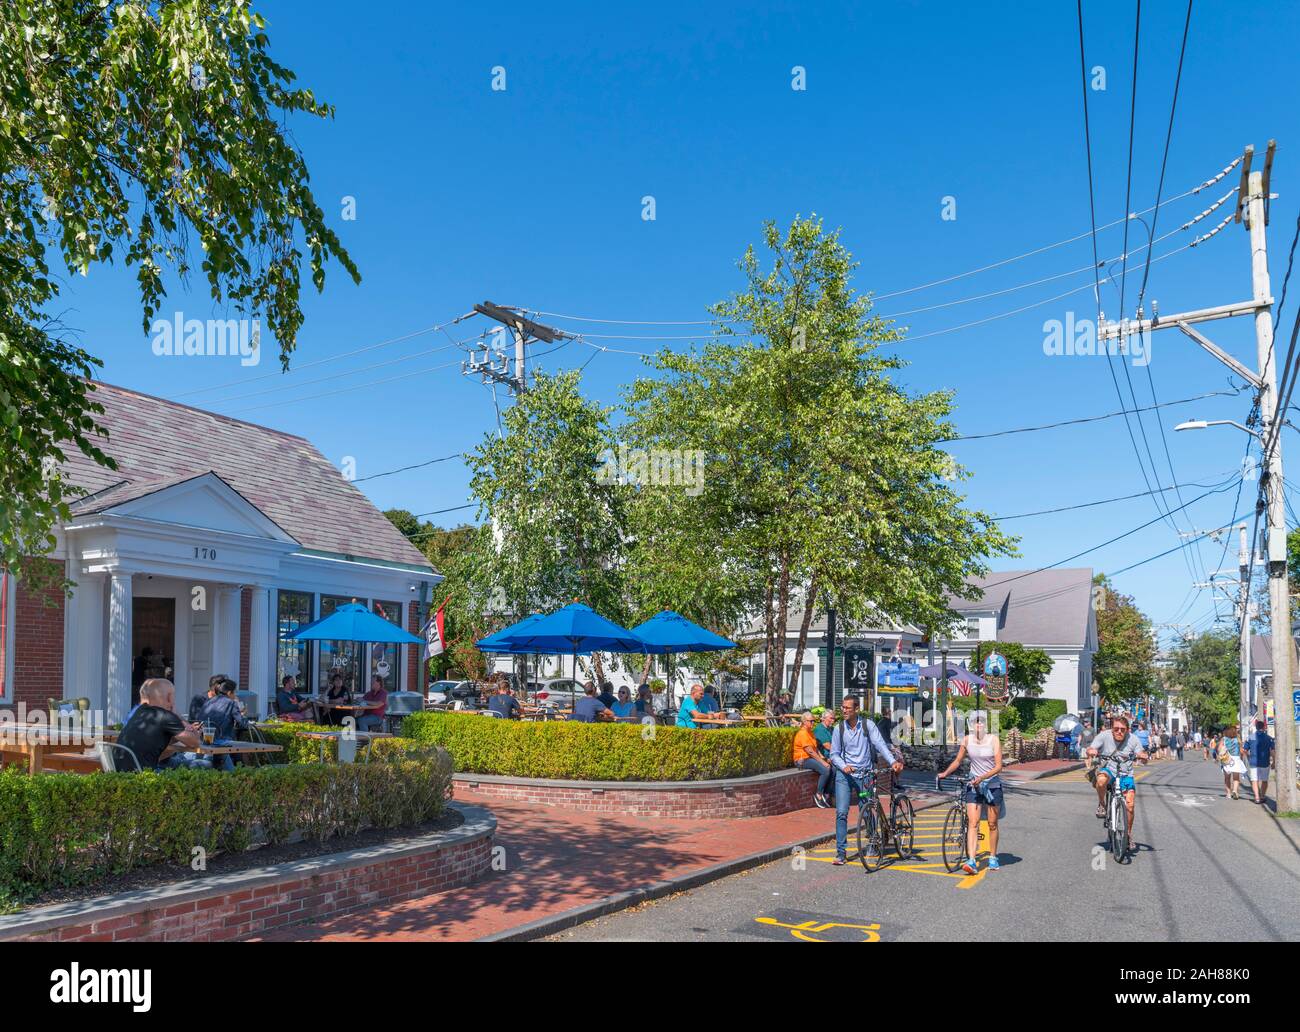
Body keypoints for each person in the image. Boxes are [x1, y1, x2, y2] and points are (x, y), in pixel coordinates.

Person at [828, 695, 904, 866]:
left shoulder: (868, 725)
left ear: (856, 709)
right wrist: (844, 765)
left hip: (865, 775)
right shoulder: (838, 729)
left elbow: (880, 745)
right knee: (841, 812)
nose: (844, 710)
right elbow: (834, 754)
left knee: (867, 809)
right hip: (844, 776)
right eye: (843, 707)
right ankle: (841, 853)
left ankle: (872, 840)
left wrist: (893, 762)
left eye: (848, 708)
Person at [938, 710, 1004, 873]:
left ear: (985, 724)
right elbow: (958, 760)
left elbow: (998, 767)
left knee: (992, 824)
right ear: (971, 724)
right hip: (973, 785)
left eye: (981, 721)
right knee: (973, 823)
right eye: (975, 721)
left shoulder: (993, 740)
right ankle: (972, 860)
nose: (978, 724)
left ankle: (993, 856)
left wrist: (982, 778)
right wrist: (945, 773)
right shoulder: (967, 740)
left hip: (992, 786)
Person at [117, 678, 212, 771]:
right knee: (207, 764)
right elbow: (195, 742)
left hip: (122, 773)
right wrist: (194, 732)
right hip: (144, 775)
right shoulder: (165, 716)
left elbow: (157, 750)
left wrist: (184, 732)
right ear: (169, 697)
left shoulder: (140, 711)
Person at [1086, 713, 1148, 837]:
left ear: (1127, 730)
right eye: (1116, 729)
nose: (1119, 732)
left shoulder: (1133, 739)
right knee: (1101, 780)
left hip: (1126, 774)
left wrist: (1143, 756)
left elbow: (1141, 755)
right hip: (1109, 770)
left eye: (1122, 729)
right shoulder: (1104, 736)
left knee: (1130, 806)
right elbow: (1090, 749)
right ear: (1112, 728)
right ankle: (1102, 804)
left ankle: (1128, 835)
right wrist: (1092, 751)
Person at [200, 677, 249, 771]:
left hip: (205, 741)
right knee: (232, 770)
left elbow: (200, 720)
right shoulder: (231, 703)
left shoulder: (208, 701)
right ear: (230, 693)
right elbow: (243, 724)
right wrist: (243, 715)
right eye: (235, 693)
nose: (235, 695)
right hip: (223, 742)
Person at [793, 710, 832, 808]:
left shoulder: (810, 732)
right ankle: (818, 795)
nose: (813, 723)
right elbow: (810, 751)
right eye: (811, 721)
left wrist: (824, 758)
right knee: (826, 770)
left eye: (813, 721)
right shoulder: (803, 733)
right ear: (804, 721)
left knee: (833, 769)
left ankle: (826, 794)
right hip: (802, 760)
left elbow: (815, 748)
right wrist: (823, 762)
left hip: (810, 758)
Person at [1245, 720, 1274, 805]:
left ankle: (1257, 797)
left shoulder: (1250, 737)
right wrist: (1274, 761)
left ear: (1256, 727)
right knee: (1264, 780)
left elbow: (1245, 750)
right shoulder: (1269, 738)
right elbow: (1272, 751)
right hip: (1265, 762)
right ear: (1264, 727)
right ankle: (1262, 796)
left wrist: (1248, 757)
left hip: (1253, 762)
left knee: (1254, 780)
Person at [1218, 724, 1246, 800]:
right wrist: (1242, 757)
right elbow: (1241, 751)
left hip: (1226, 759)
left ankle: (1228, 793)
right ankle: (1235, 790)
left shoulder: (1223, 739)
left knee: (1227, 778)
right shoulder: (1238, 739)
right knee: (1236, 777)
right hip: (1236, 759)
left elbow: (1219, 749)